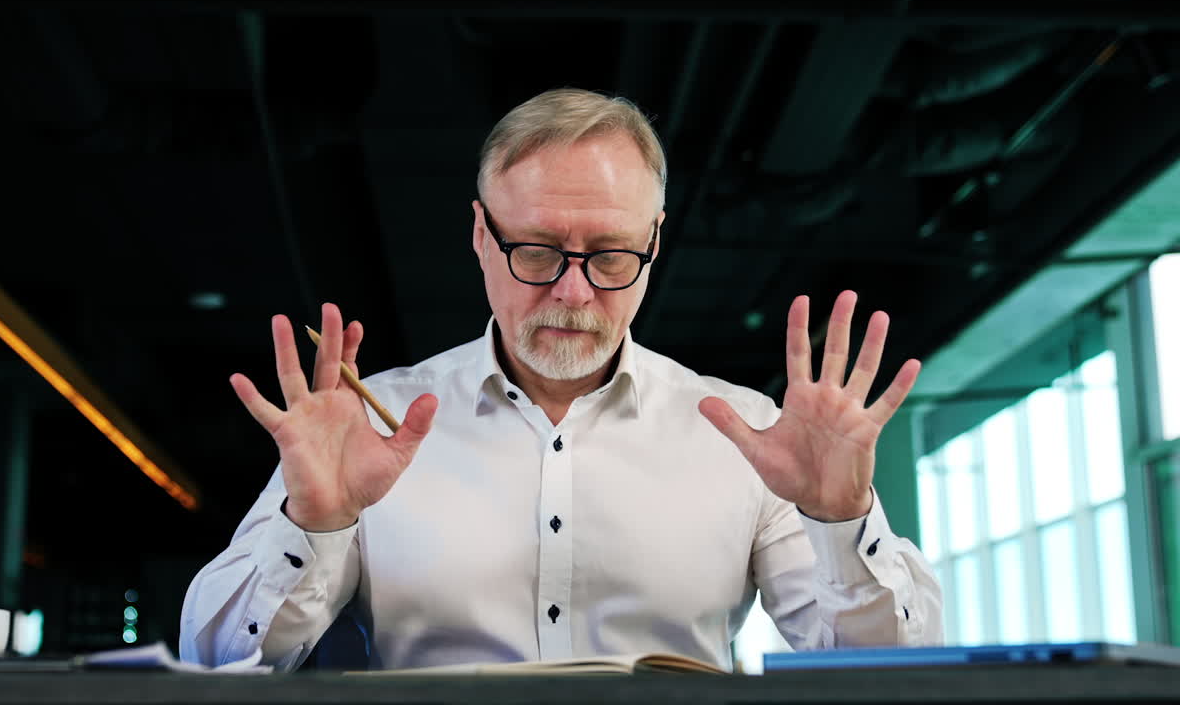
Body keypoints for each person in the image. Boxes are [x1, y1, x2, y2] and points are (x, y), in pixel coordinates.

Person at [179, 88, 943, 672]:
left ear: (653, 241)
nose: (573, 294)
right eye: (537, 251)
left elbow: (893, 671)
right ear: (482, 235)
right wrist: (312, 522)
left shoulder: (747, 435)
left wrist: (842, 521)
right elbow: (215, 663)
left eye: (611, 256)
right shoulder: (365, 425)